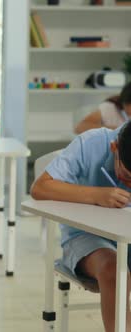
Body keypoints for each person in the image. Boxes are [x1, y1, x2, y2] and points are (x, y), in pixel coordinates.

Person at [31, 122, 131, 332]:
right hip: (86, 238)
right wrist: (97, 195)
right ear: (115, 148)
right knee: (115, 271)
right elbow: (40, 188)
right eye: (128, 177)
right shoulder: (92, 143)